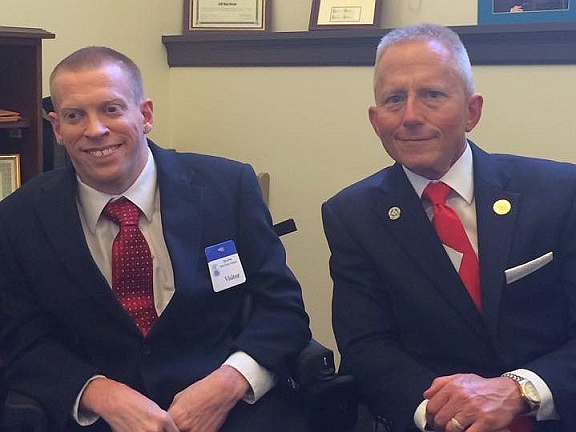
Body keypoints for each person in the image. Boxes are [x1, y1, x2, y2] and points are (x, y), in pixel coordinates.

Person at [0, 46, 311, 432]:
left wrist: (230, 382)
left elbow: (283, 309)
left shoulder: (227, 188)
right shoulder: (19, 217)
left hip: (227, 408)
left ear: (145, 115)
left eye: (111, 109)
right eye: (74, 115)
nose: (95, 130)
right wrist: (99, 393)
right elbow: (21, 339)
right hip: (97, 419)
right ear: (57, 128)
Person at [322, 23, 576, 432]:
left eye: (432, 95)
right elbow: (366, 347)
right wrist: (446, 418)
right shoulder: (352, 215)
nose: (410, 117)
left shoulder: (560, 192)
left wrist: (520, 391)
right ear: (375, 120)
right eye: (393, 100)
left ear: (472, 111)